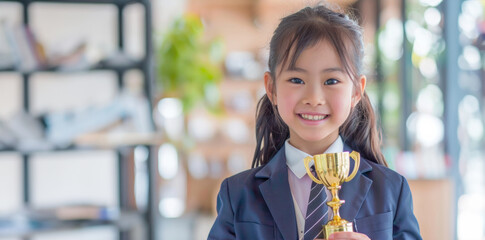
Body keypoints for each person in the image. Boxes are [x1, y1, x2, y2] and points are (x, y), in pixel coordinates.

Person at [208, 3, 422, 240]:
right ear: (272, 88)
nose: (314, 98)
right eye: (297, 80)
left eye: (331, 81)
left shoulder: (391, 190)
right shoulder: (238, 195)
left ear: (356, 92)